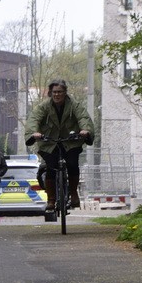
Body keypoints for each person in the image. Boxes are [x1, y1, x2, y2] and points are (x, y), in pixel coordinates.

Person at [25, 78, 94, 211]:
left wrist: (85, 130)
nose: (57, 94)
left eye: (60, 92)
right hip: (49, 142)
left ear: (65, 92)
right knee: (51, 168)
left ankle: (73, 193)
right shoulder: (44, 106)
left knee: (73, 164)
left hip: (70, 141)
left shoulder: (74, 105)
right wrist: (34, 133)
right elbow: (34, 118)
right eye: (54, 92)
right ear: (51, 93)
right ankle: (51, 200)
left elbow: (83, 117)